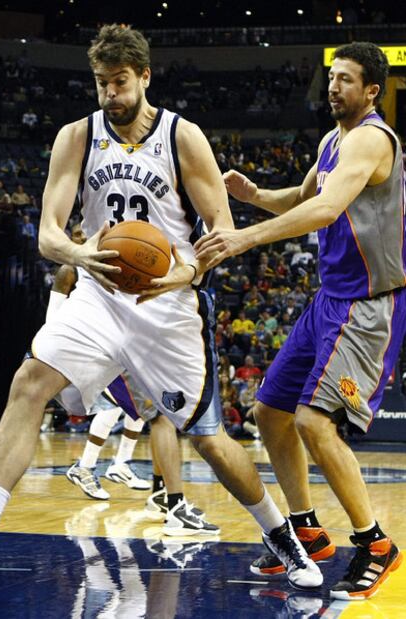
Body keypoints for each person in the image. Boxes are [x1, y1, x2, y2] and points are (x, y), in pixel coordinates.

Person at [0, 24, 321, 589]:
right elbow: (48, 234)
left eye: (119, 82)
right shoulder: (76, 135)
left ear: (144, 76)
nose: (109, 95)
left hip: (168, 306)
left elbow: (220, 228)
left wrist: (181, 275)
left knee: (209, 440)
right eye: (100, 83)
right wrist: (79, 253)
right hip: (99, 293)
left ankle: (280, 535)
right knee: (27, 383)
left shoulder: (182, 136)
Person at [195, 42, 404, 599]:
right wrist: (255, 195)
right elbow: (304, 195)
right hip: (327, 300)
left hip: (366, 305)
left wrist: (242, 238)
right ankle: (307, 532)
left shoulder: (371, 140)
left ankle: (376, 543)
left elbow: (325, 210)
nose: (334, 87)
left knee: (314, 422)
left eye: (346, 80)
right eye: (331, 78)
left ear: (372, 91)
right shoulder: (333, 140)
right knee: (269, 412)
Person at [48, 223, 214, 533]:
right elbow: (53, 319)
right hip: (92, 346)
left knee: (145, 413)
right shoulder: (69, 271)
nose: (84, 239)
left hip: (122, 341)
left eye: (85, 235)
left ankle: (130, 472)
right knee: (144, 414)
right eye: (79, 236)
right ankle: (90, 469)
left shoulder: (113, 260)